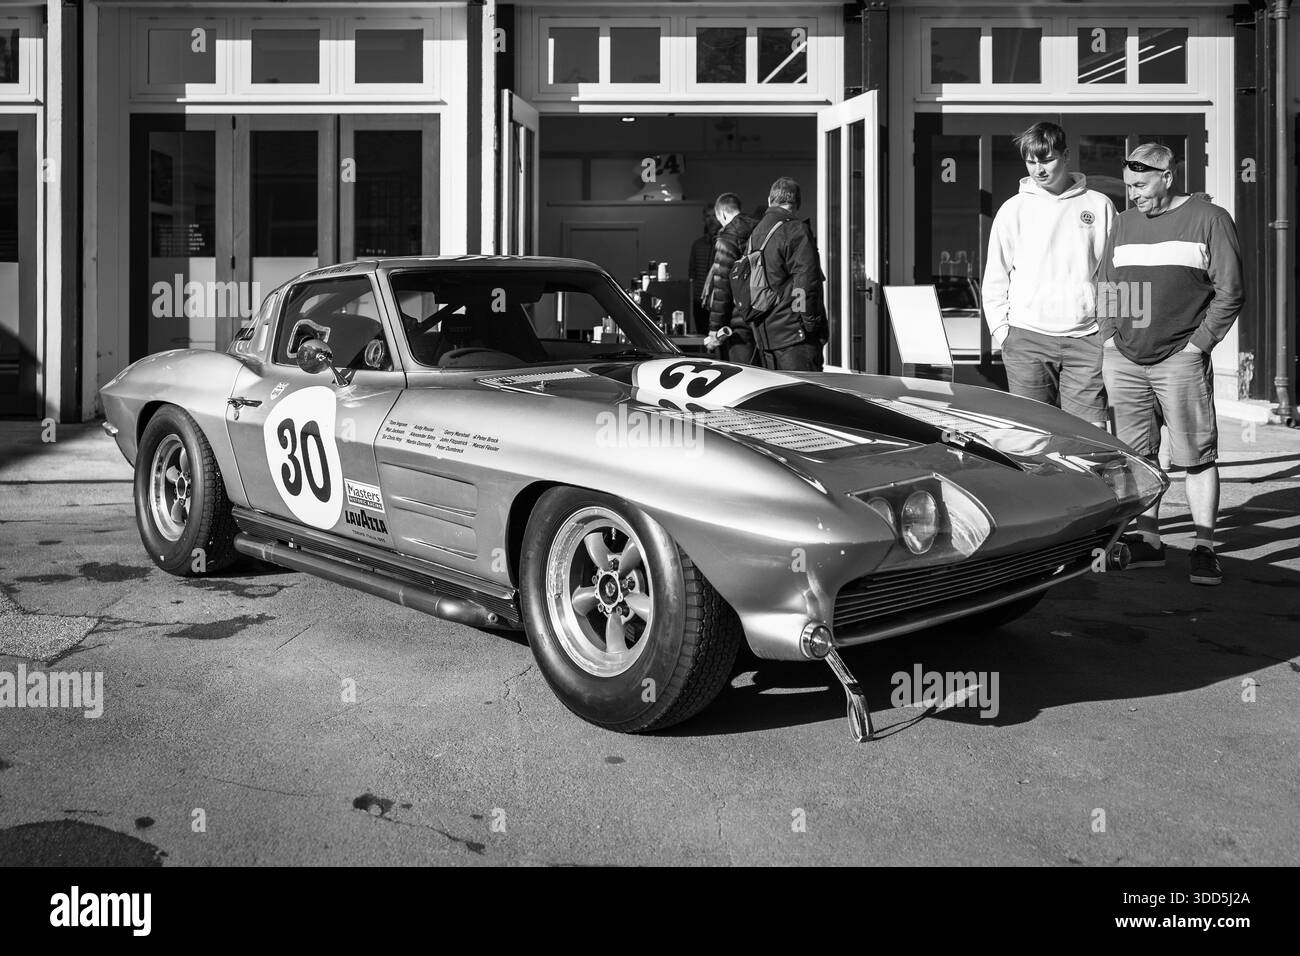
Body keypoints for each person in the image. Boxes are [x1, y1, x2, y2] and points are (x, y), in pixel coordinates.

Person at [1097, 143, 1244, 586]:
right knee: (1137, 456)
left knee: (1195, 456)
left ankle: (1204, 547)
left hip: (1181, 359)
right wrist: (1109, 339)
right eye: (1128, 186)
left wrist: (1198, 345)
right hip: (1125, 358)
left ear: (1168, 175)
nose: (1134, 194)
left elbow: (1229, 290)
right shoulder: (1123, 223)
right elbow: (1107, 282)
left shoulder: (1209, 219)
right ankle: (1150, 541)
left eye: (1141, 185)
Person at [982, 121, 1117, 429]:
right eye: (1031, 161)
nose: (1038, 169)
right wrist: (1003, 334)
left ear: (1066, 154)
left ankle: (1086, 481)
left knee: (1089, 436)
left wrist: (1110, 334)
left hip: (1086, 339)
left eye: (1046, 159)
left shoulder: (1099, 205)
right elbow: (995, 277)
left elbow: (1114, 274)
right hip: (1026, 338)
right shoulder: (1012, 209)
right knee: (1032, 435)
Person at [742, 177, 827, 371]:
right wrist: (811, 326)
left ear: (770, 200)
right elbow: (805, 282)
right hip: (794, 337)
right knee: (805, 396)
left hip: (765, 334)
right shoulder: (796, 230)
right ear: (797, 203)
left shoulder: (757, 232)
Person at [702, 193, 758, 364]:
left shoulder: (728, 238)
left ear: (723, 214)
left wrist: (714, 329)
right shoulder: (759, 230)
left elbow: (722, 287)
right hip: (761, 318)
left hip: (737, 322)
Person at [687, 204, 720, 334]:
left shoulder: (725, 243)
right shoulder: (697, 245)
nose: (711, 219)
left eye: (714, 216)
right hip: (699, 300)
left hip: (718, 299)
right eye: (707, 216)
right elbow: (692, 273)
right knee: (702, 335)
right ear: (704, 219)